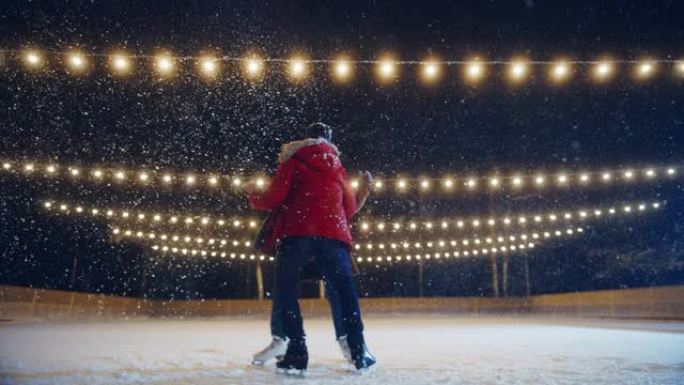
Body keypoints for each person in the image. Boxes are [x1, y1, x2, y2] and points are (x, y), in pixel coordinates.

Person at [244, 122, 376, 374]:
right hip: (333, 236)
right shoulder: (337, 167)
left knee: (285, 290)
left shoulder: (292, 161)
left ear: (306, 139)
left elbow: (274, 199)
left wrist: (252, 196)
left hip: (298, 233)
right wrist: (364, 191)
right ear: (329, 141)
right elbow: (348, 209)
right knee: (345, 293)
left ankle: (296, 351)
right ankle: (359, 351)